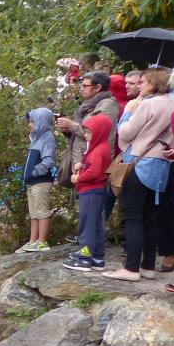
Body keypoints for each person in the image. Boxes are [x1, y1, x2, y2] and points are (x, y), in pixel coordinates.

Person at [105, 68, 174, 281]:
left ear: (153, 84)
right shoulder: (172, 104)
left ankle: (131, 268)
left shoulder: (146, 104)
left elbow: (125, 133)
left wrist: (127, 112)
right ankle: (148, 267)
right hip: (161, 167)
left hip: (140, 164)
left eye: (143, 81)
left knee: (134, 218)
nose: (140, 85)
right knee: (150, 218)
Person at [63, 113, 112, 272]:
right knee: (96, 223)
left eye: (89, 132)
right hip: (95, 191)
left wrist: (80, 178)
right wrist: (81, 165)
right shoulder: (99, 148)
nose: (85, 135)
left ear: (99, 132)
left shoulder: (99, 150)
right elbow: (92, 167)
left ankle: (85, 257)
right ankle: (97, 256)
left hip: (90, 191)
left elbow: (95, 172)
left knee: (87, 224)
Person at [19, 107, 56, 253]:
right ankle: (32, 240)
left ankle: (42, 241)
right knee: (33, 213)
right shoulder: (35, 138)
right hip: (32, 183)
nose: (29, 124)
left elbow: (48, 161)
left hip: (40, 182)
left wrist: (33, 173)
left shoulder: (47, 137)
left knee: (41, 211)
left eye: (32, 121)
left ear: (41, 122)